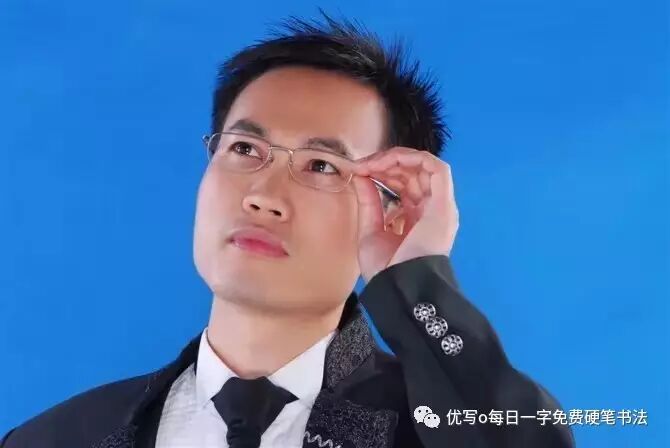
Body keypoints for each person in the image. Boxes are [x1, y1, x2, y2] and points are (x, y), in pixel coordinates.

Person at [1, 13, 575, 448]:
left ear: (391, 210)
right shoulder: (55, 437)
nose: (263, 195)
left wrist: (415, 282)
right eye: (244, 149)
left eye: (322, 165)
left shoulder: (439, 426)